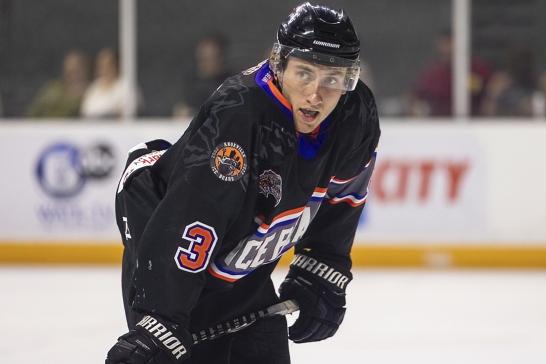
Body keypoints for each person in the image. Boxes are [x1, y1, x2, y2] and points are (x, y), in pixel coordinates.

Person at [105, 2, 380, 364]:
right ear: (279, 64)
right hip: (172, 262)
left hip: (243, 275)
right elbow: (194, 216)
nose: (316, 93)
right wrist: (161, 317)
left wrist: (321, 268)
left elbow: (343, 198)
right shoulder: (240, 112)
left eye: (333, 78)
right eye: (305, 73)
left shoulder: (354, 113)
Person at [410, 29, 492, 117]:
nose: (447, 48)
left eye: (450, 43)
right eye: (444, 44)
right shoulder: (431, 73)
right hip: (439, 124)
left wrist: (492, 95)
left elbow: (494, 85)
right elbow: (415, 98)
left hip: (472, 124)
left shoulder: (477, 68)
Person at [172, 34, 232, 118]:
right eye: (201, 59)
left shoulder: (231, 83)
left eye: (209, 59)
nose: (204, 64)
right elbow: (180, 107)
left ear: (220, 58)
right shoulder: (191, 81)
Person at [26, 49, 89, 118]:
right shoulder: (53, 88)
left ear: (84, 69)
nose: (72, 74)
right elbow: (34, 110)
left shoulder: (90, 91)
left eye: (76, 70)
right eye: (69, 70)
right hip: (43, 126)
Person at [81, 47, 136, 118]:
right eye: (101, 66)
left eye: (108, 65)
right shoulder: (94, 87)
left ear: (116, 66)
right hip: (92, 127)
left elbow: (126, 113)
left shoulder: (124, 86)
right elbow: (84, 111)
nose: (104, 69)